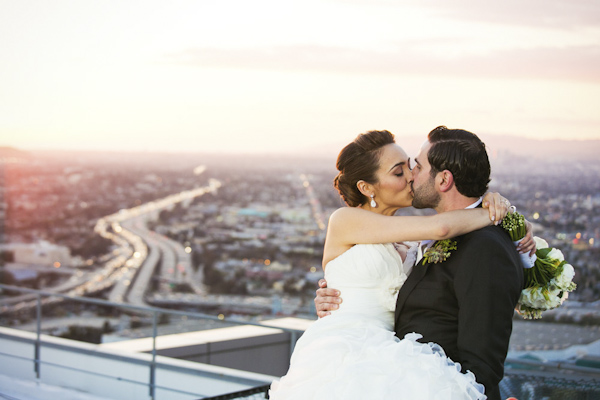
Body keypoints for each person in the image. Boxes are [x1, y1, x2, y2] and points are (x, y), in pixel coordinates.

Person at [269, 130, 521, 400]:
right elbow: (443, 227)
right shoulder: (344, 220)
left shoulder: (412, 238)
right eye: (399, 172)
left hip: (394, 356)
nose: (411, 176)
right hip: (345, 352)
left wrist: (505, 214)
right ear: (367, 188)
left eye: (412, 166)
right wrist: (497, 213)